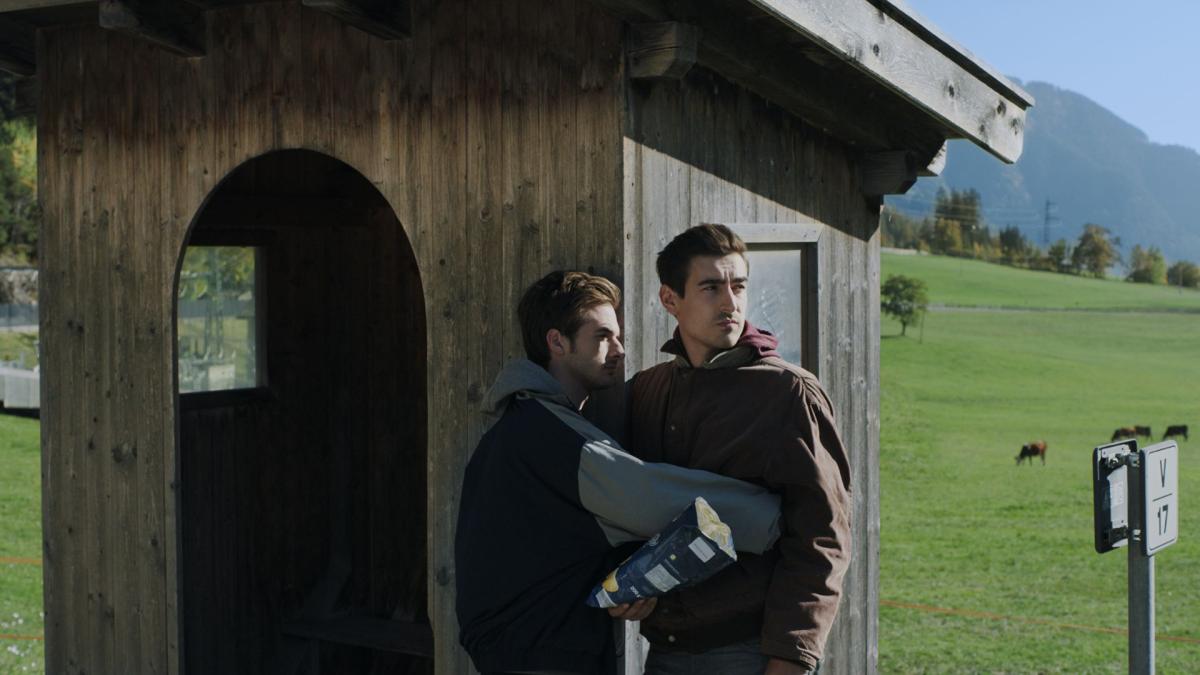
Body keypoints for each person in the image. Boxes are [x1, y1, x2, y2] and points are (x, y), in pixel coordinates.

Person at [455, 270, 785, 675]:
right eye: (602, 337)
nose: (619, 350)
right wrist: (775, 515)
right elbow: (652, 499)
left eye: (617, 336)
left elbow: (556, 543)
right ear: (557, 342)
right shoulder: (553, 439)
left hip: (526, 651)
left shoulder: (522, 425)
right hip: (543, 657)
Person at [626, 224, 853, 675]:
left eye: (739, 285)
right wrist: (626, 581)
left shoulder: (788, 393)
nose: (731, 302)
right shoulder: (647, 390)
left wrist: (791, 656)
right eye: (711, 287)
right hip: (664, 650)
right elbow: (629, 507)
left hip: (749, 652)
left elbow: (823, 535)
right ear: (670, 300)